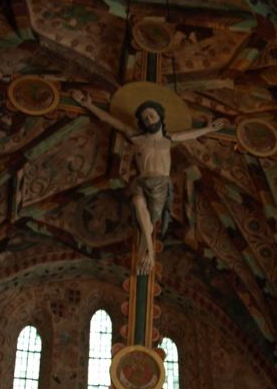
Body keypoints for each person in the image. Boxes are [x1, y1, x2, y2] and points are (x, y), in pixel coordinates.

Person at [72, 89, 225, 274]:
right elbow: (111, 121)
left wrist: (210, 128)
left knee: (150, 222)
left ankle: (146, 254)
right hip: (142, 181)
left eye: (151, 115)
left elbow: (190, 134)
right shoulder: (136, 138)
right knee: (137, 202)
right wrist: (88, 105)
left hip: (160, 184)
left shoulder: (169, 139)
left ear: (160, 117)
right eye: (145, 118)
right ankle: (150, 253)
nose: (149, 120)